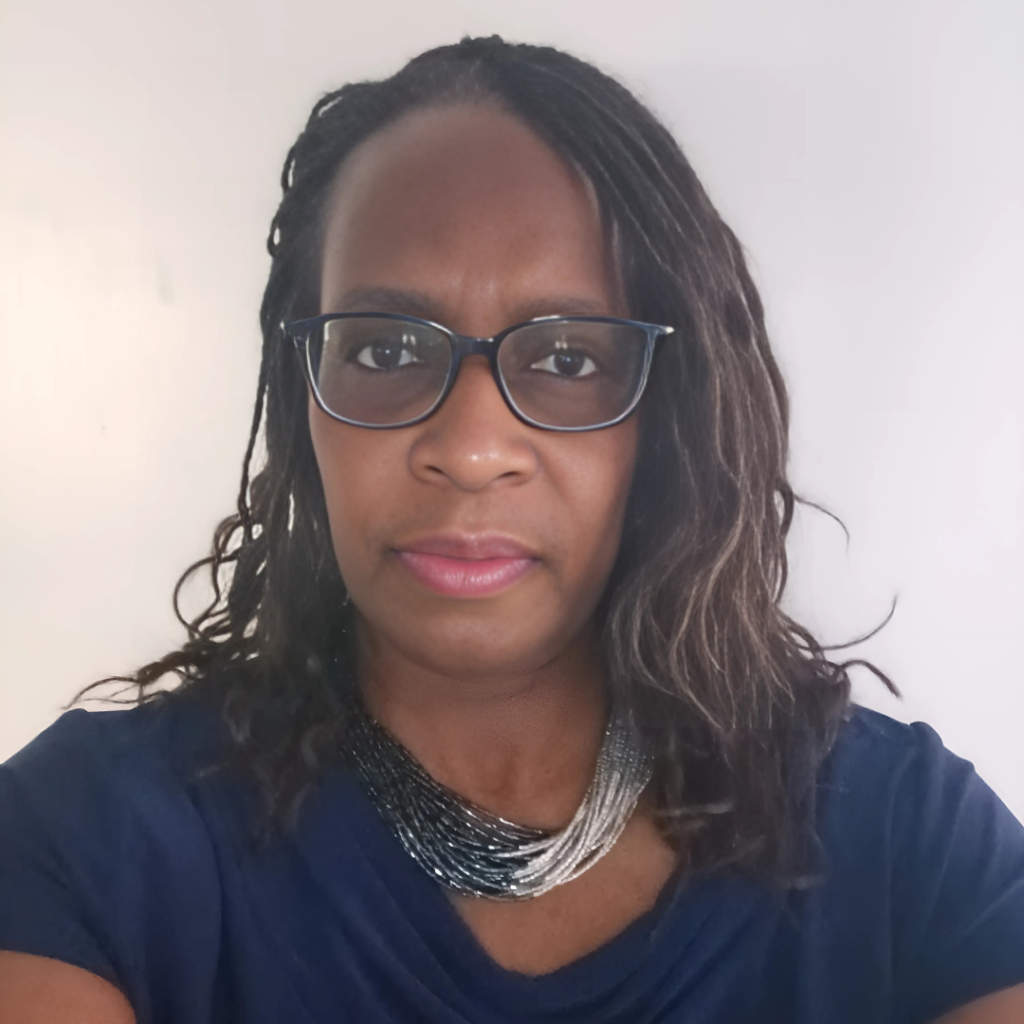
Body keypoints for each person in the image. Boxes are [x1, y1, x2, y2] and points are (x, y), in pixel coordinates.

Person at [1, 35, 1022, 1024]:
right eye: (387, 346)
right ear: (301, 395)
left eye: (569, 359)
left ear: (671, 410)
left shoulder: (907, 843)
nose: (472, 446)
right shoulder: (90, 838)